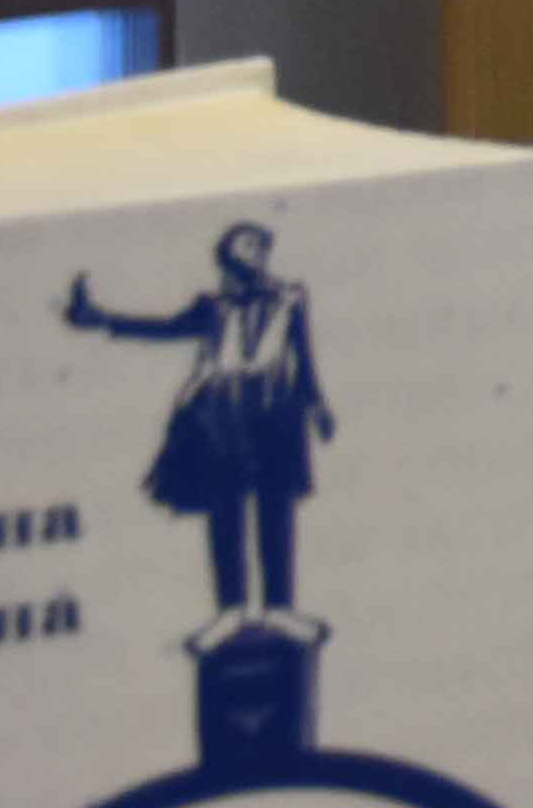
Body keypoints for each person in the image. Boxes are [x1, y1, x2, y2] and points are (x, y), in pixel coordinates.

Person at [62, 216, 334, 625]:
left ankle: (279, 607)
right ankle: (231, 608)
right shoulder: (214, 305)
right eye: (246, 244)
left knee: (276, 505)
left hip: (277, 409)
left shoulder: (291, 298)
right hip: (224, 411)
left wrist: (316, 405)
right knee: (225, 508)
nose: (256, 251)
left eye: (259, 245)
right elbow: (165, 328)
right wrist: (102, 318)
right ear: (228, 256)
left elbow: (304, 356)